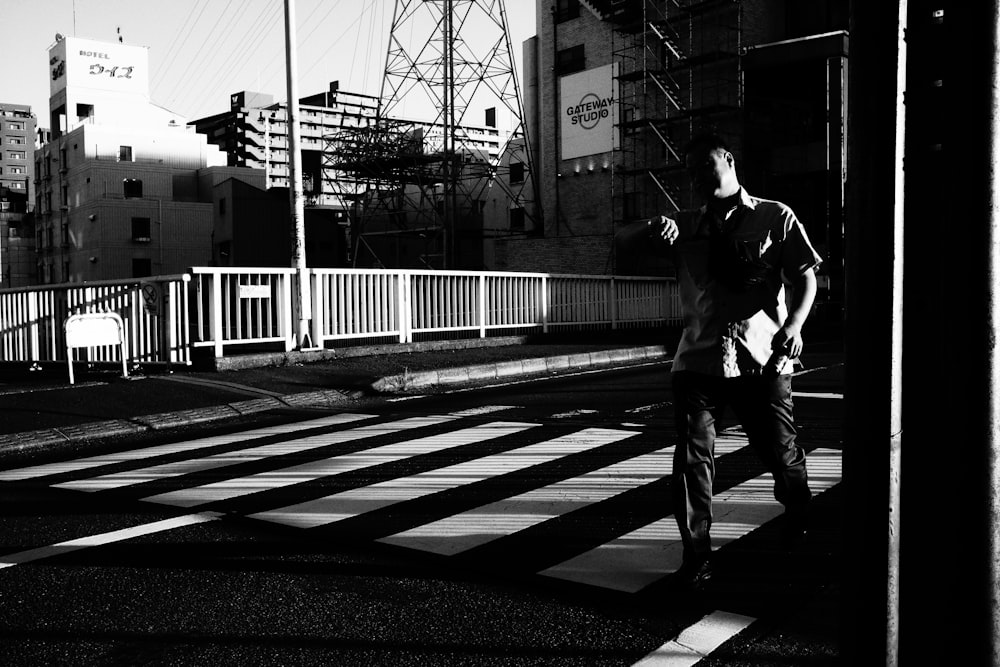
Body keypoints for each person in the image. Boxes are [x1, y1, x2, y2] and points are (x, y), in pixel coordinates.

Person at [644, 132, 822, 591]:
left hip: (761, 359)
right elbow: (623, 240)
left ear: (728, 159)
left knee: (781, 455)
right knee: (692, 459)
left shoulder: (773, 215)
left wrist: (794, 326)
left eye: (706, 165)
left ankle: (799, 510)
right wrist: (651, 227)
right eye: (691, 172)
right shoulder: (686, 224)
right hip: (698, 358)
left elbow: (804, 278)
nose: (699, 177)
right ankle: (696, 554)